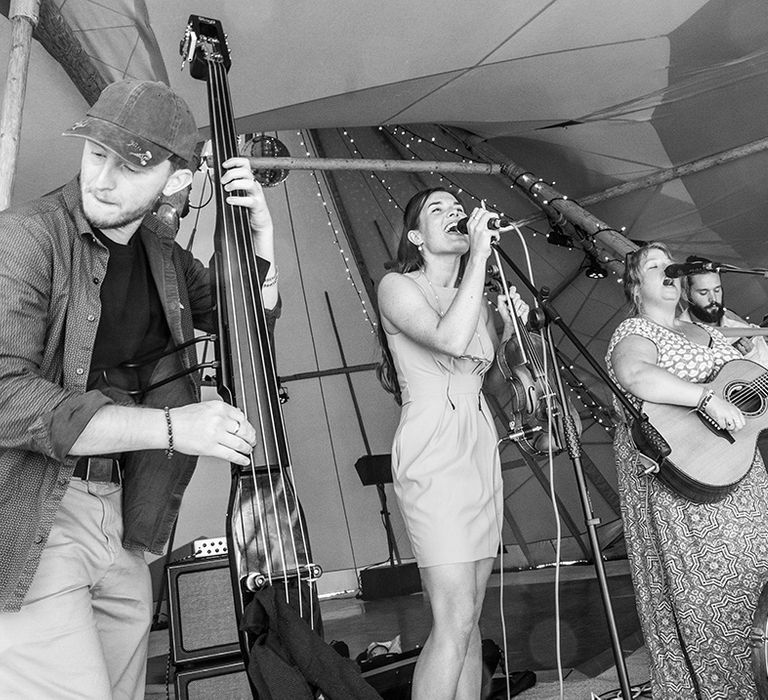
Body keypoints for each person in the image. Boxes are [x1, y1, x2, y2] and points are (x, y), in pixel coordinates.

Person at [0, 79, 280, 699]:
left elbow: (245, 320)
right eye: (97, 154)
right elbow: (6, 398)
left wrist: (259, 236)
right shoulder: (23, 238)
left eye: (133, 166)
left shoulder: (163, 252)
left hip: (126, 514)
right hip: (32, 514)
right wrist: (179, 428)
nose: (104, 178)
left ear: (176, 181)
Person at [376, 188, 527, 700]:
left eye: (456, 207)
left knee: (471, 618)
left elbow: (501, 381)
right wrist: (481, 256)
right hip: (432, 444)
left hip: (479, 446)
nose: (455, 213)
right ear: (416, 237)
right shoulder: (396, 286)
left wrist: (509, 331)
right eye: (436, 209)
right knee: (453, 617)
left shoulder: (478, 297)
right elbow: (447, 340)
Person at [606, 242, 768, 698]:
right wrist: (705, 398)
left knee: (757, 580)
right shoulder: (636, 330)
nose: (670, 269)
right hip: (685, 482)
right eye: (655, 265)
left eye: (671, 263)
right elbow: (635, 376)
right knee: (709, 596)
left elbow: (751, 384)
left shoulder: (709, 333)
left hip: (740, 473)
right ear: (635, 286)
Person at [679, 254, 768, 367]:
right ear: (685, 295)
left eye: (717, 290)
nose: (713, 299)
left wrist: (752, 357)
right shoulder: (675, 335)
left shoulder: (743, 331)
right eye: (703, 293)